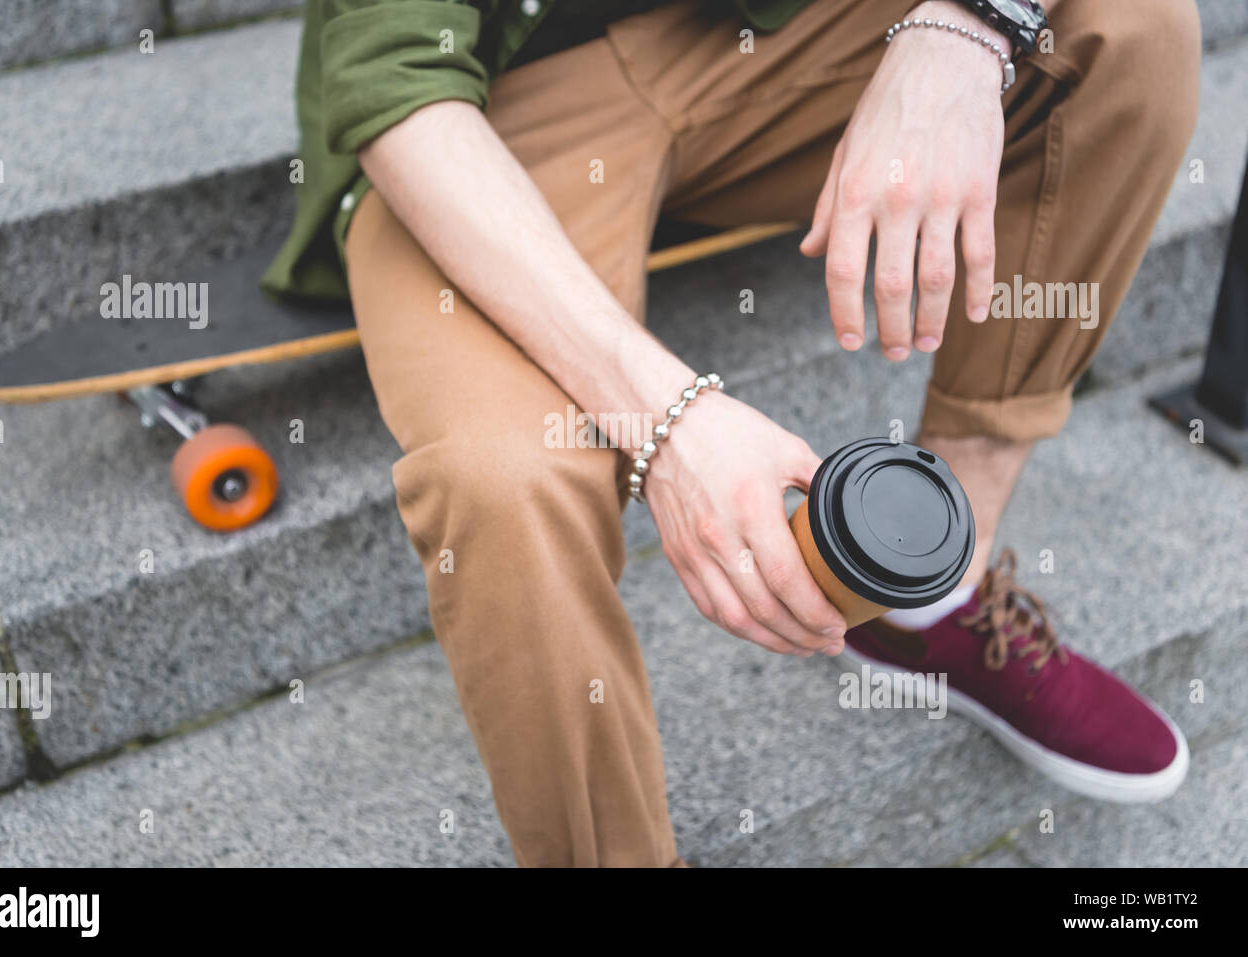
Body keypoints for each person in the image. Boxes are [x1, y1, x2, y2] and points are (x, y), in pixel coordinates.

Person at [264, 0, 1202, 866]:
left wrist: (964, 26)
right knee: (505, 476)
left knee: (1127, 23)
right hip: (483, 109)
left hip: (760, 38)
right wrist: (669, 422)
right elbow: (392, 75)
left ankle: (931, 593)